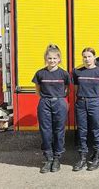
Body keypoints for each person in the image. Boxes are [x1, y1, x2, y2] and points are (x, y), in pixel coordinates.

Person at [32, 44, 70, 173]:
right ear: (45, 59)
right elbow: (37, 90)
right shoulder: (40, 73)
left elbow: (67, 90)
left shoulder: (64, 74)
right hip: (45, 103)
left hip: (59, 102)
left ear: (59, 59)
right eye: (49, 58)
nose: (52, 61)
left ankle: (57, 159)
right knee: (46, 131)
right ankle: (48, 159)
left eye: (55, 58)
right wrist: (45, 99)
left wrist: (59, 98)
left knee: (59, 131)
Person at [72, 48, 99, 171]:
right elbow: (76, 88)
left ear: (94, 57)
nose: (87, 59)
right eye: (85, 57)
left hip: (95, 103)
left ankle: (97, 157)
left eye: (89, 56)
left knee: (97, 130)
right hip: (81, 103)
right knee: (82, 131)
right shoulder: (77, 72)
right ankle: (82, 157)